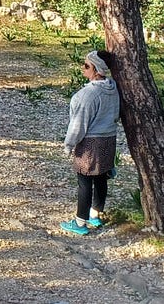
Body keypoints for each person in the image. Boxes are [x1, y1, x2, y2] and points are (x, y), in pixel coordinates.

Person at [61, 48, 120, 235]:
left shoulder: (87, 95)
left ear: (95, 70)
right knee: (101, 177)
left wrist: (69, 145)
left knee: (84, 182)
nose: (83, 68)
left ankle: (80, 223)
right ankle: (95, 214)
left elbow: (78, 124)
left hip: (90, 143)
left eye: (86, 66)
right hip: (108, 139)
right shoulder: (113, 88)